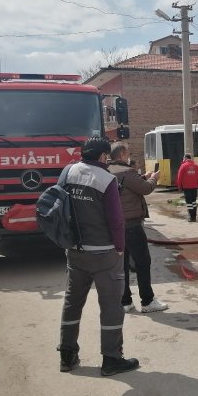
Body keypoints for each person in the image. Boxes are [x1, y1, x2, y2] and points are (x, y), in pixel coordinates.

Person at [58, 136, 139, 376]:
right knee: (111, 306)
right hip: (104, 253)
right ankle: (112, 359)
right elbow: (116, 221)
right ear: (104, 156)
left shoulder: (67, 172)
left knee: (73, 303)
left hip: (75, 251)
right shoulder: (106, 179)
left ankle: (67, 355)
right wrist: (121, 247)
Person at [109, 142, 168, 314]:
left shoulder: (109, 172)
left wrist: (143, 177)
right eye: (127, 153)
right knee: (142, 263)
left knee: (123, 265)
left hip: (116, 227)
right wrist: (154, 178)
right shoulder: (127, 172)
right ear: (121, 155)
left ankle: (125, 301)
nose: (129, 156)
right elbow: (146, 189)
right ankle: (148, 301)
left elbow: (129, 187)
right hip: (132, 226)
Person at [176, 153, 198, 222]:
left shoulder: (183, 166)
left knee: (189, 202)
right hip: (194, 187)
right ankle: (194, 215)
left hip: (186, 187)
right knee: (194, 201)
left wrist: (179, 187)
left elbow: (179, 177)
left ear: (185, 158)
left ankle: (192, 217)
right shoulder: (196, 166)